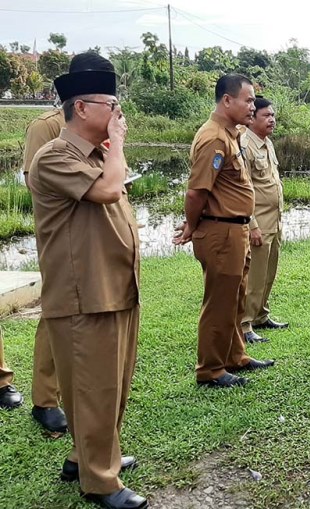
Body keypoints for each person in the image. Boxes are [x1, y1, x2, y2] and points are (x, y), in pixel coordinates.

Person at [28, 53, 147, 509]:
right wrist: (117, 144)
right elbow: (106, 191)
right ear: (81, 108)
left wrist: (111, 146)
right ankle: (101, 481)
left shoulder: (96, 154)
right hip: (84, 294)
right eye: (110, 104)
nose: (118, 114)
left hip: (115, 287)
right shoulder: (54, 155)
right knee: (94, 389)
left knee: (113, 385)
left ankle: (89, 456)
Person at [174, 74, 275, 388]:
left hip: (237, 230)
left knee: (235, 298)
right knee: (219, 302)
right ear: (227, 100)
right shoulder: (214, 138)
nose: (252, 106)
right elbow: (196, 192)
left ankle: (235, 356)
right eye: (247, 100)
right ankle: (211, 369)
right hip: (221, 231)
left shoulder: (232, 134)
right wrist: (191, 225)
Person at [21, 93, 68, 433]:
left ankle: (75, 391)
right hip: (61, 236)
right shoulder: (47, 126)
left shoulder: (105, 126)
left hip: (93, 237)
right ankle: (45, 399)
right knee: (57, 309)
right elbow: (34, 180)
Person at [240, 96, 288, 344]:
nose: (272, 120)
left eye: (273, 115)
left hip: (274, 220)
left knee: (269, 272)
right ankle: (245, 324)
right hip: (258, 222)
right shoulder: (245, 145)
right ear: (252, 118)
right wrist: (252, 225)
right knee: (254, 276)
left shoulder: (266, 143)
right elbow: (243, 189)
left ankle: (261, 315)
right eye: (266, 116)